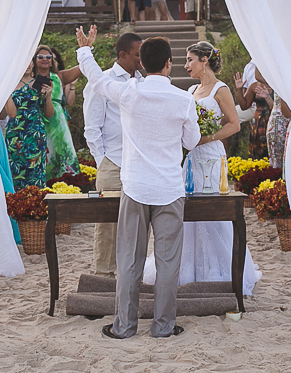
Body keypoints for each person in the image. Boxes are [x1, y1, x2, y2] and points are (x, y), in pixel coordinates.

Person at [75, 26, 200, 339]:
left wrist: (85, 51)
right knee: (168, 262)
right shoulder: (183, 99)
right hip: (169, 188)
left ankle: (124, 326)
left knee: (129, 260)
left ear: (142, 63)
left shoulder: (129, 92)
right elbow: (191, 141)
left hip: (135, 187)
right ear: (168, 63)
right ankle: (164, 326)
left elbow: (97, 79)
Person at [144, 41, 262, 295]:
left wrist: (207, 138)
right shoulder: (192, 90)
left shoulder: (221, 89)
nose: (186, 65)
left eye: (190, 60)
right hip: (191, 156)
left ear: (204, 60)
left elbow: (234, 124)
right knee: (188, 211)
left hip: (210, 154)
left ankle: (218, 270)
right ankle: (188, 270)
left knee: (212, 211)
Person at [83, 32, 144, 277]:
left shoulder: (143, 81)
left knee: (137, 223)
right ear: (122, 54)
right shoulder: (104, 80)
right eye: (137, 55)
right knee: (107, 224)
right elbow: (92, 127)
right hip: (113, 162)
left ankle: (131, 275)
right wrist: (102, 160)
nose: (141, 60)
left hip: (139, 164)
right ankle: (104, 276)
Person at [5, 58, 56, 190]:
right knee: (15, 170)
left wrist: (48, 96)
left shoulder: (40, 83)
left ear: (33, 63)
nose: (27, 65)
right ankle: (15, 201)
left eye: (29, 61)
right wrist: (5, 93)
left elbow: (49, 114)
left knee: (35, 172)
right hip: (15, 134)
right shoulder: (10, 84)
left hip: (35, 134)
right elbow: (6, 114)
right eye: (23, 61)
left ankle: (36, 201)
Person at [32, 45, 80, 181]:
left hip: (58, 123)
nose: (45, 59)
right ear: (34, 59)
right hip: (38, 120)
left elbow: (82, 68)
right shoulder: (30, 78)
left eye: (48, 57)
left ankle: (66, 185)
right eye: (40, 57)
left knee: (62, 152)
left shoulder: (59, 76)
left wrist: (86, 49)